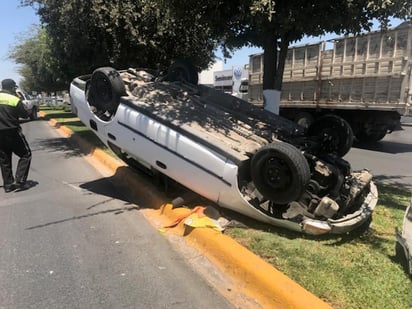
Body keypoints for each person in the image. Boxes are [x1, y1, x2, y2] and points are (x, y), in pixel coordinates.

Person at [0, 78, 32, 192]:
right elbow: (24, 115)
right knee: (26, 154)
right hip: (13, 131)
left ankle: (8, 185)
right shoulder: (14, 99)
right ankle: (20, 181)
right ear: (11, 88)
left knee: (4, 159)